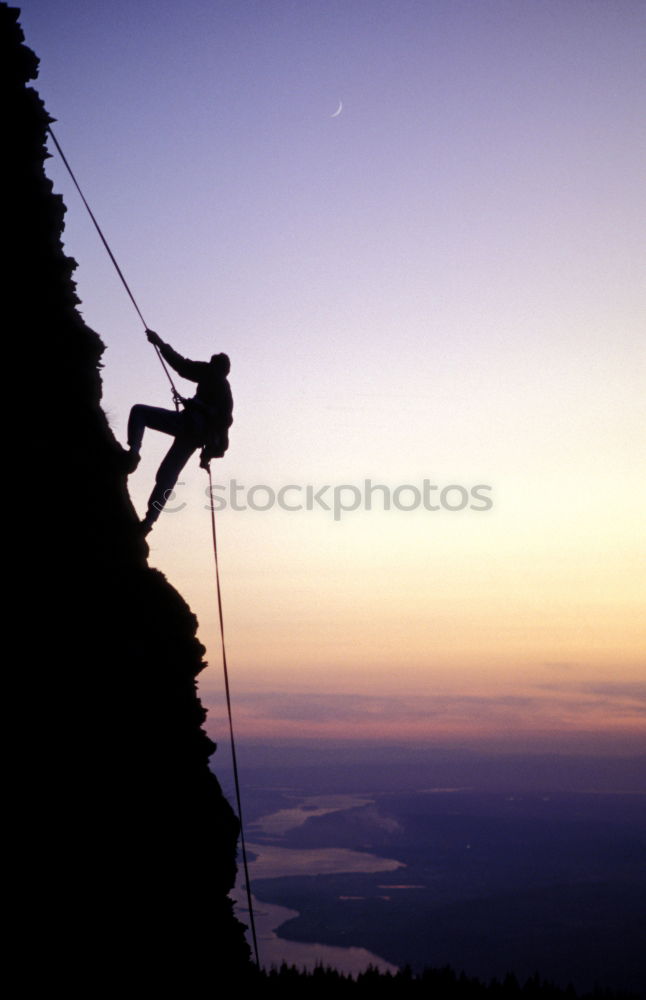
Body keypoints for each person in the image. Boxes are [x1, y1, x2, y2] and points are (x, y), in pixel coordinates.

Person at [125, 329, 233, 535]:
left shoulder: (212, 375)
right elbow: (224, 427)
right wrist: (207, 454)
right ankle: (148, 522)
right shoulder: (224, 390)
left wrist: (159, 343)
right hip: (195, 436)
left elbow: (182, 366)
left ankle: (134, 452)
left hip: (187, 425)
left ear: (215, 366)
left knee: (140, 412)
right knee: (166, 476)